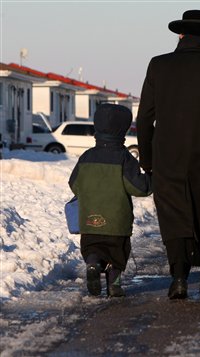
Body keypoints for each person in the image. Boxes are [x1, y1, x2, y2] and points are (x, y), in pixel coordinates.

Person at [136, 9, 200, 299]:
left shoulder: (158, 64)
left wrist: (147, 158)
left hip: (167, 154)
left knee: (174, 213)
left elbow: (145, 117)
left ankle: (179, 277)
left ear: (180, 34)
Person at [69, 104, 152, 297]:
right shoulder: (124, 158)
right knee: (117, 253)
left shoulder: (86, 157)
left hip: (90, 220)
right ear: (122, 130)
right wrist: (151, 180)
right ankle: (114, 284)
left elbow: (74, 183)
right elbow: (138, 187)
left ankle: (92, 264)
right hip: (117, 221)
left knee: (92, 248)